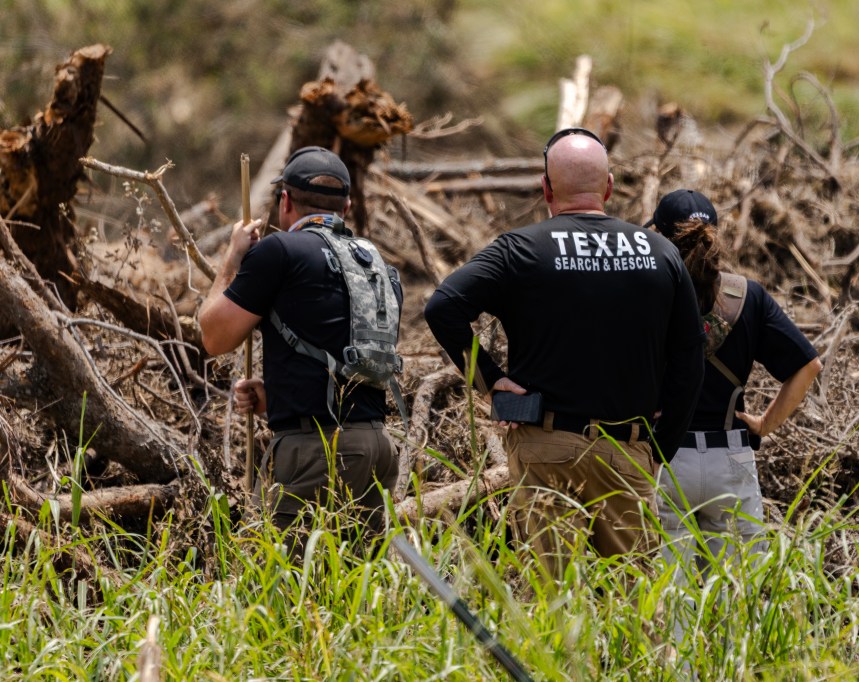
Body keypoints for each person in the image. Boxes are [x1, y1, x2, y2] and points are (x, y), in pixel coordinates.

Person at [424, 128, 706, 582]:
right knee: (635, 605)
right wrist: (660, 448)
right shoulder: (661, 253)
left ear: (546, 189)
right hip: (627, 449)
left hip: (545, 447)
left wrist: (489, 378)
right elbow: (690, 359)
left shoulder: (520, 249)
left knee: (552, 601)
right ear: (609, 187)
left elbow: (442, 307)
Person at [198, 146, 401, 535]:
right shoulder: (376, 264)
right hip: (377, 447)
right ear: (347, 205)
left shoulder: (280, 251)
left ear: (285, 201)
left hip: (317, 452)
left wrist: (232, 259)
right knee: (354, 587)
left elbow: (213, 336)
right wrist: (277, 398)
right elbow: (356, 361)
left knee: (275, 585)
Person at [649, 189, 822, 574]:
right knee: (736, 597)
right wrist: (764, 424)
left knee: (666, 599)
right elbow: (808, 366)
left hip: (662, 457)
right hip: (730, 455)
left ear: (659, 237)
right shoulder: (748, 296)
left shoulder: (648, 296)